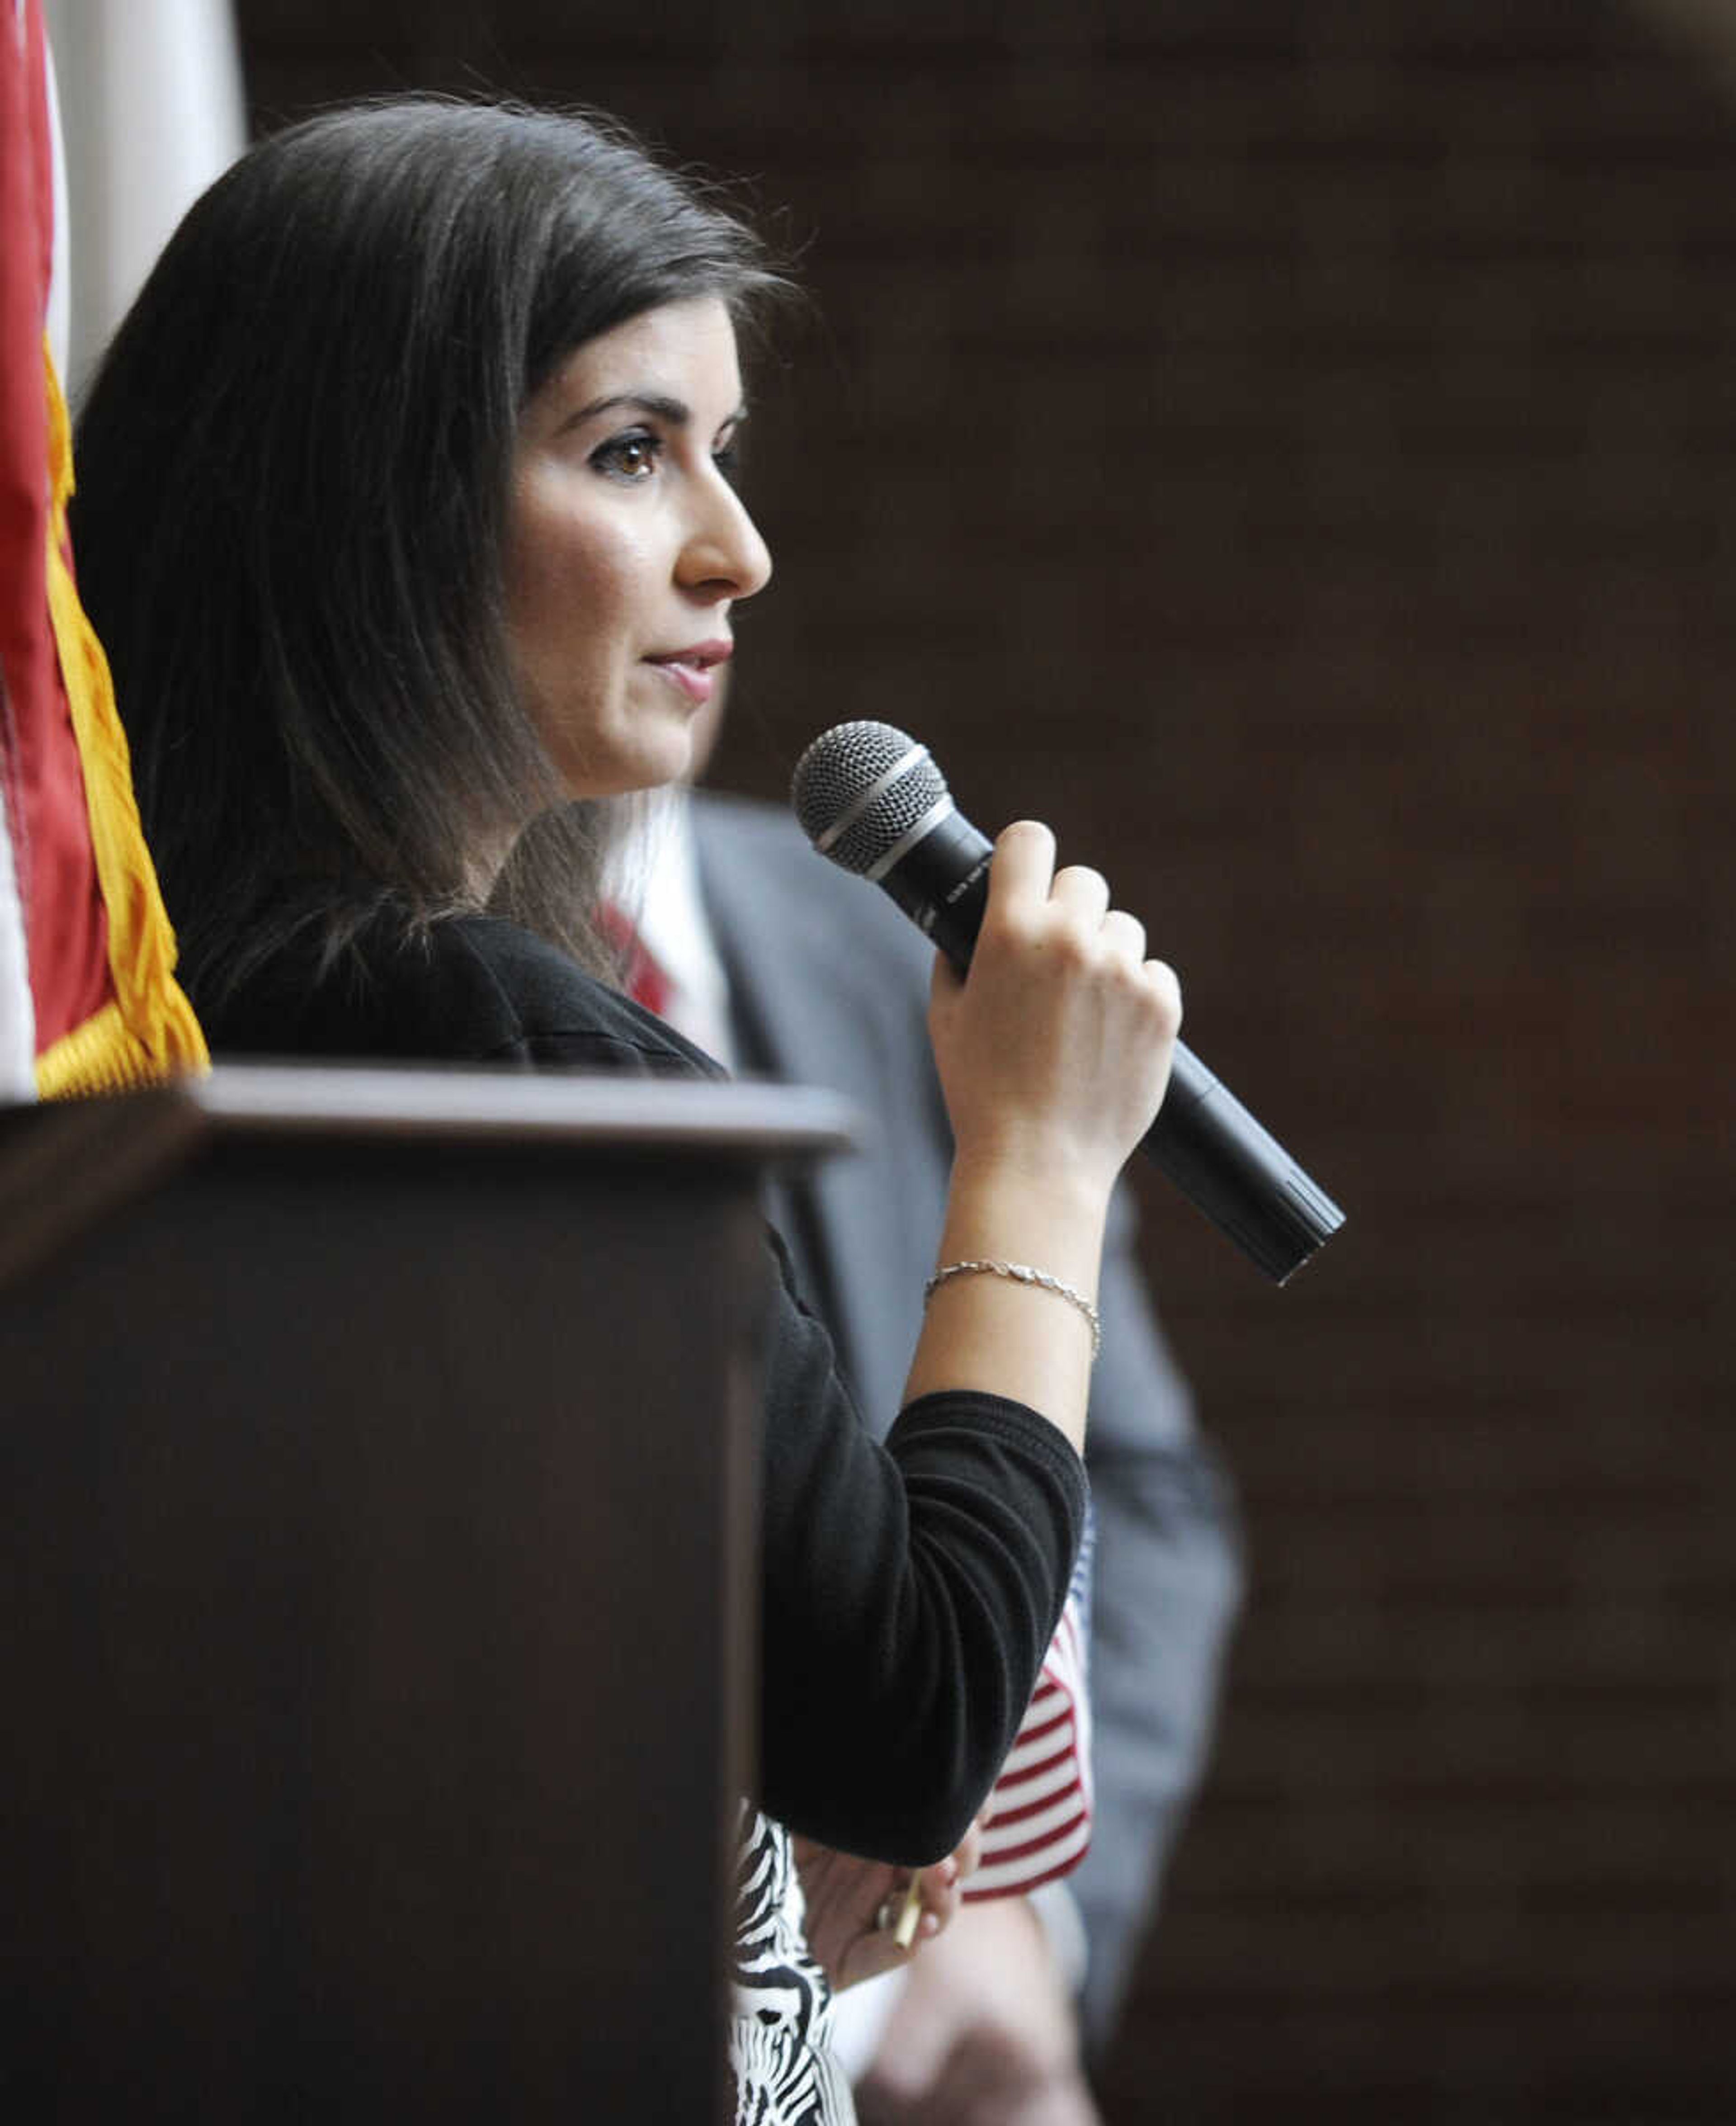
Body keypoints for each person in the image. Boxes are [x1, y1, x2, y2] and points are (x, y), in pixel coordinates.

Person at [68, 98, 1184, 2124]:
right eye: (626, 450)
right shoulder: (483, 1049)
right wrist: (1038, 1146)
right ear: (371, 503)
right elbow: (916, 1711)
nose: (735, 549)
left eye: (722, 452)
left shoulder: (214, 1009)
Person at [620, 758, 1243, 2120]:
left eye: (745, 517)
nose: (735, 550)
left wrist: (1028, 1917)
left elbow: (1134, 1493)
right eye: (639, 517)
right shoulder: (303, 986)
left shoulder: (903, 948)